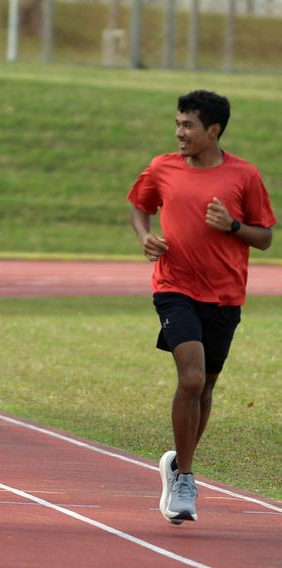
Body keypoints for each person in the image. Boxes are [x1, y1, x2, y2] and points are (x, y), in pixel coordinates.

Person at [128, 90, 275, 524]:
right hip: (174, 287)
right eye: (177, 124)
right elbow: (139, 206)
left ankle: (177, 463)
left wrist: (231, 226)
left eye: (188, 126)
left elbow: (264, 236)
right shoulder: (162, 167)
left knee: (205, 388)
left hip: (225, 295)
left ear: (213, 130)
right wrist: (144, 237)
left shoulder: (244, 176)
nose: (180, 133)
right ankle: (186, 477)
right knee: (190, 378)